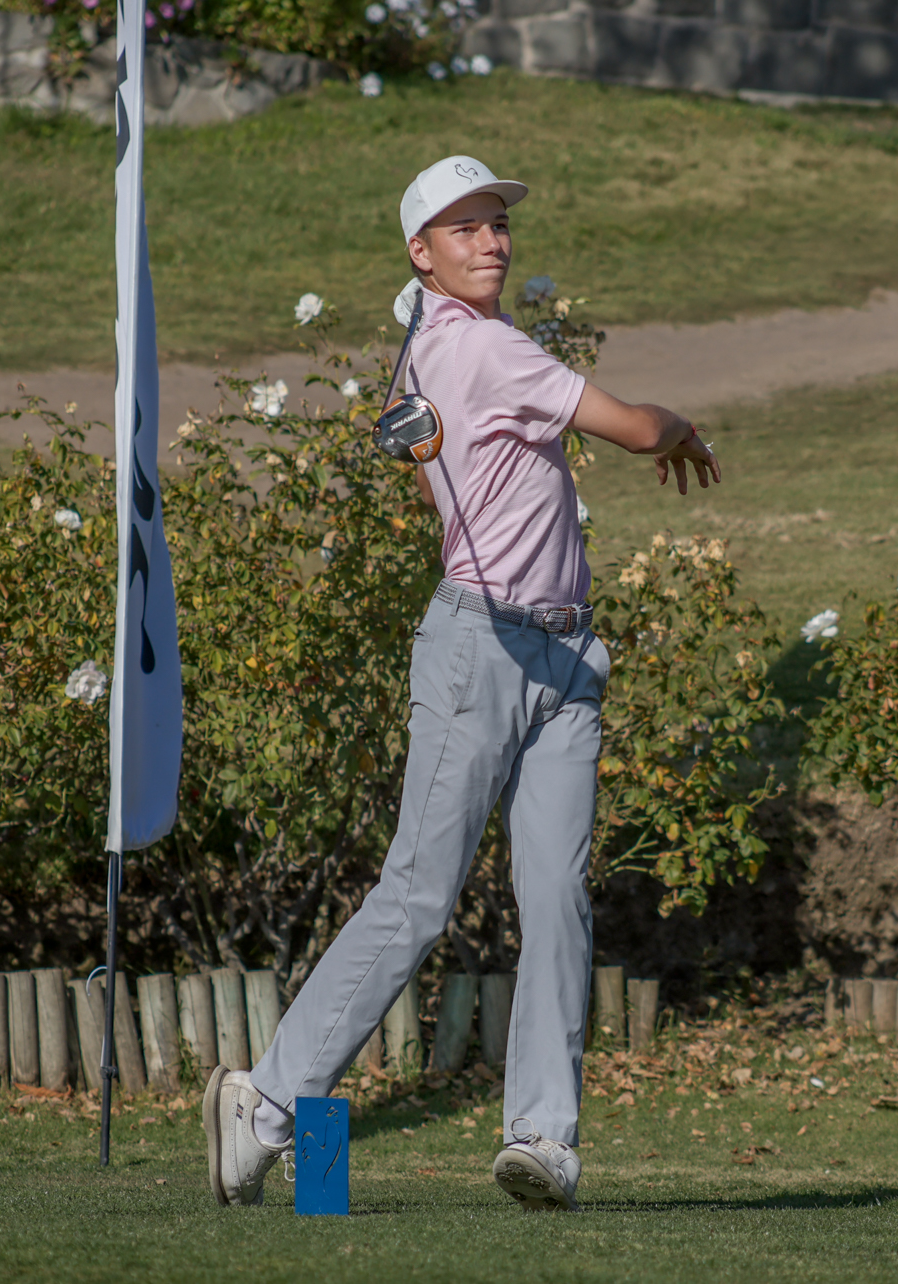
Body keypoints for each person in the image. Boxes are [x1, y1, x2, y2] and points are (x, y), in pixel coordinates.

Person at [205, 154, 721, 1213]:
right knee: (417, 895)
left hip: (565, 658)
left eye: (497, 224)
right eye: (465, 228)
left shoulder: (435, 341)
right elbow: (635, 428)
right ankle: (266, 1102)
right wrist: (681, 426)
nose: (491, 241)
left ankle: (542, 1139)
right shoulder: (484, 347)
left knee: (557, 899)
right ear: (422, 252)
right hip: (482, 649)